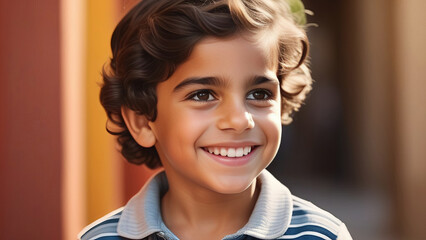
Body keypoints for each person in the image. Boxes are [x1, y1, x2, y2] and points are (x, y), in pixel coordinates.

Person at [78, 0, 352, 239]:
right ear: (142, 122)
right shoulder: (100, 238)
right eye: (203, 95)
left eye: (259, 93)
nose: (239, 120)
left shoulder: (323, 235)